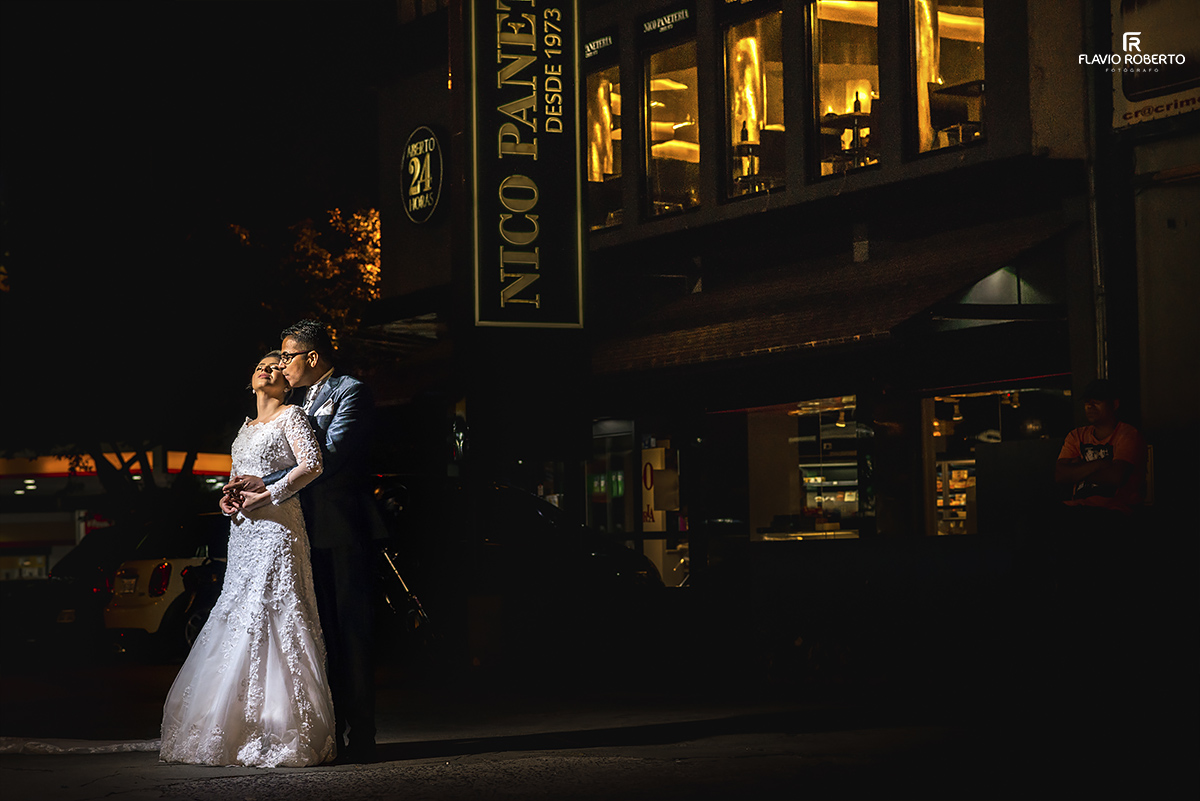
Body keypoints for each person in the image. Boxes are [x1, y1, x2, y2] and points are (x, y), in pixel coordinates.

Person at [160, 352, 336, 767]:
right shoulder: (243, 430)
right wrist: (229, 497)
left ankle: (278, 725)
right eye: (262, 363)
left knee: (274, 613)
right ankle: (234, 722)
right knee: (238, 612)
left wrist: (269, 495)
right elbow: (242, 476)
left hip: (278, 529)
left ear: (287, 384)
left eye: (277, 365)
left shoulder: (292, 416)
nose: (268, 368)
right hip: (243, 533)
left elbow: (313, 464)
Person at [224, 320, 386, 763]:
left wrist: (266, 484)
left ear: (310, 358)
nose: (280, 365)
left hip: (340, 532)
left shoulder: (350, 392)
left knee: (349, 633)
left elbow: (327, 458)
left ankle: (363, 734)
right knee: (313, 636)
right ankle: (324, 730)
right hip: (295, 532)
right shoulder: (290, 405)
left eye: (286, 357)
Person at [1054, 378, 1147, 528]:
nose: (1090, 406)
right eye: (1086, 401)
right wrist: (1100, 464)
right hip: (1076, 508)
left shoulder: (1128, 434)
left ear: (1114, 404)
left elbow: (1116, 477)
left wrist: (1078, 470)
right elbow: (1060, 475)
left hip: (1115, 511)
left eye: (1097, 400)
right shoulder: (1076, 435)